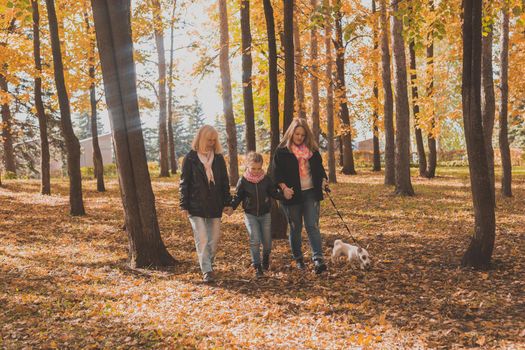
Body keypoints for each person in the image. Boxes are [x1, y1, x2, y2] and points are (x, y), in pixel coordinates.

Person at [272, 118, 329, 274]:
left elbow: (320, 170)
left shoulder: (313, 151)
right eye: (297, 134)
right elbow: (276, 175)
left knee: (312, 225)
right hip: (292, 195)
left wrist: (324, 180)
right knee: (296, 228)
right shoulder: (282, 151)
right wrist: (283, 189)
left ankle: (318, 259)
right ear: (291, 133)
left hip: (311, 192)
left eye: (302, 135)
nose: (299, 137)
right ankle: (298, 259)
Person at [179, 125, 233, 283]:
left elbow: (224, 182)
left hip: (215, 204)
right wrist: (183, 205)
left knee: (214, 239)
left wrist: (227, 202)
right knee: (202, 237)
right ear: (201, 139)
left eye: (214, 140)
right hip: (195, 205)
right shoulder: (190, 158)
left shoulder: (218, 158)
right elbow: (184, 183)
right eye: (208, 139)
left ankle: (208, 262)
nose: (211, 142)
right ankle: (207, 270)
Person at [231, 152, 283, 278]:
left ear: (262, 166)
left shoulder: (266, 179)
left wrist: (284, 195)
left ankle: (265, 257)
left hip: (265, 215)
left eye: (259, 168)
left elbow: (273, 193)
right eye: (253, 168)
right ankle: (257, 265)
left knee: (267, 242)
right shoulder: (243, 180)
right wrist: (231, 207)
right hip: (250, 215)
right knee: (255, 239)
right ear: (248, 166)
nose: (256, 171)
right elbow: (238, 196)